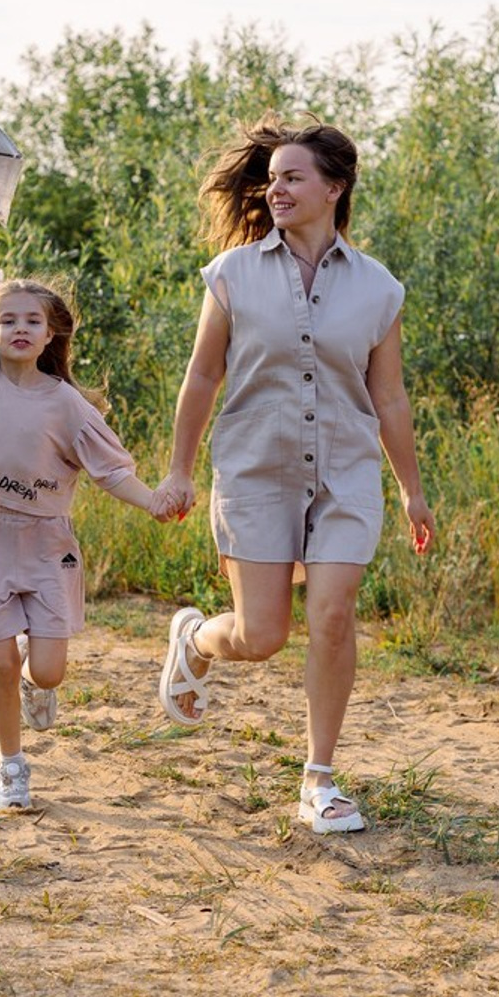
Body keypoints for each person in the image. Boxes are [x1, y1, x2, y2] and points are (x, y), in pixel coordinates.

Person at [154, 113, 436, 835]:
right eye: (272, 178)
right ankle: (196, 640)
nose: (275, 189)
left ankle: (319, 779)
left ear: (334, 188)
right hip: (256, 470)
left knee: (333, 616)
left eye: (293, 178)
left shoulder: (378, 289)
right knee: (262, 636)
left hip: (346, 473)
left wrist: (411, 490)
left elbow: (389, 398)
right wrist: (180, 469)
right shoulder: (232, 275)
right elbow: (203, 375)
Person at [0, 178, 174, 811]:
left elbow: (110, 472)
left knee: (47, 670)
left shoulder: (69, 405)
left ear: (51, 335)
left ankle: (32, 681)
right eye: (8, 319)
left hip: (48, 543)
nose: (20, 328)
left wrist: (153, 500)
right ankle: (11, 769)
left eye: (33, 321)